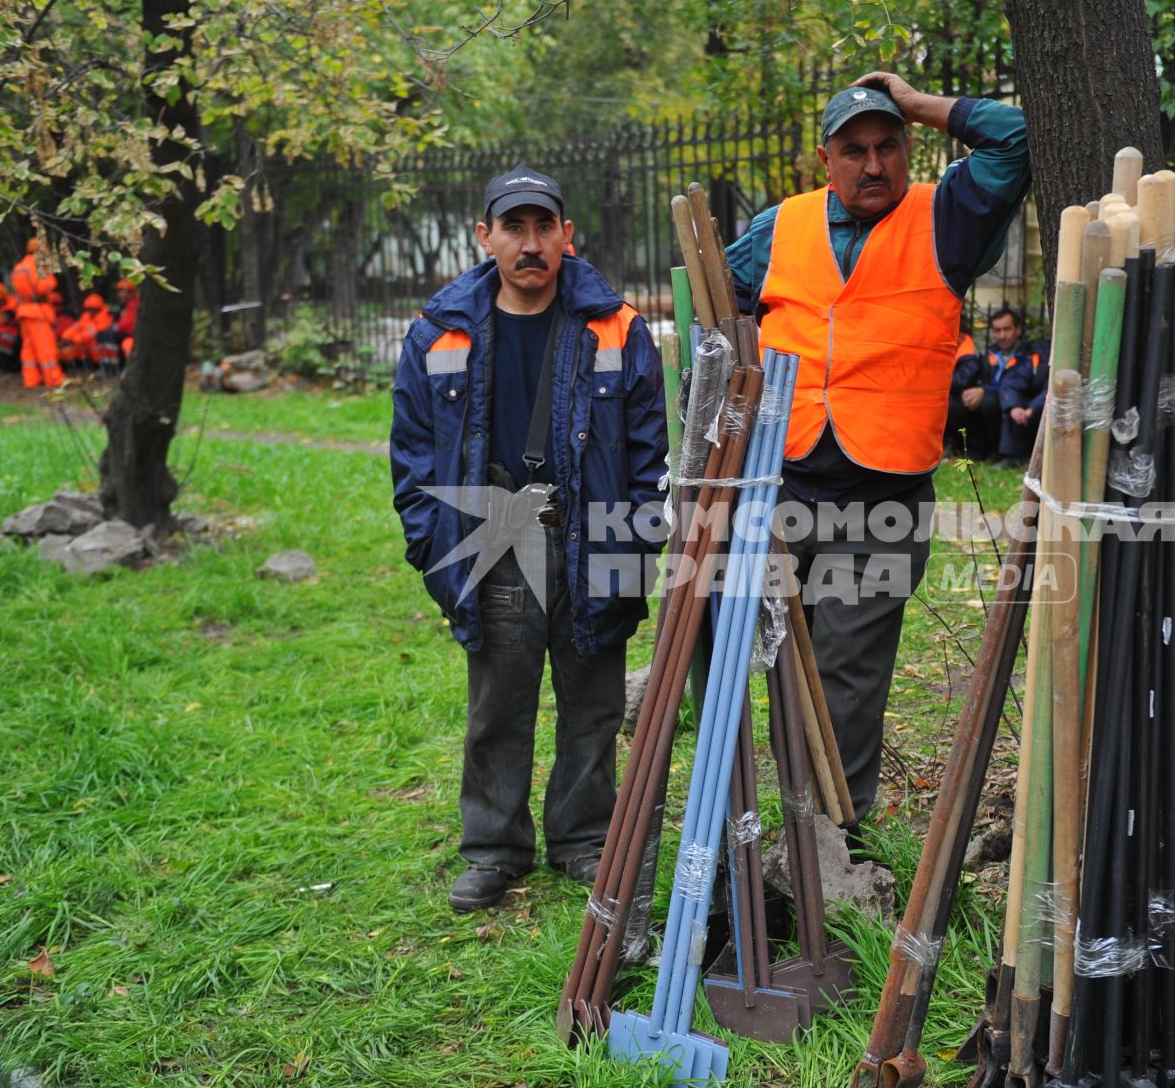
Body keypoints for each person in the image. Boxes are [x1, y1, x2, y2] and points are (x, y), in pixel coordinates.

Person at [724, 71, 1029, 831]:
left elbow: (1015, 141)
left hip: (881, 502)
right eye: (853, 149)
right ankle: (785, 827)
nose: (872, 165)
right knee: (781, 671)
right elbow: (722, 299)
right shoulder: (781, 226)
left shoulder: (945, 218)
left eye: (888, 146)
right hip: (784, 486)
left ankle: (835, 838)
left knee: (847, 678)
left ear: (907, 148)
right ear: (824, 158)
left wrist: (918, 101)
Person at [390, 165, 668, 912]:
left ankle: (581, 838)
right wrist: (431, 549)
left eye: (544, 226)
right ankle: (493, 847)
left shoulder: (618, 326)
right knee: (498, 707)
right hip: (492, 545)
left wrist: (636, 546)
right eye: (514, 227)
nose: (531, 242)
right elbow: (412, 455)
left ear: (566, 236)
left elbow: (650, 455)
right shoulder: (438, 332)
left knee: (594, 705)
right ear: (485, 237)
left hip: (594, 542)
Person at [947, 305, 1045, 461]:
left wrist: (985, 390)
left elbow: (1021, 386)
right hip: (989, 404)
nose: (1002, 335)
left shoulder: (1028, 354)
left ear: (1018, 330)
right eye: (997, 330)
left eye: (1007, 329)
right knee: (957, 402)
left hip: (1017, 405)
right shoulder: (990, 353)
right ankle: (972, 449)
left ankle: (1001, 453)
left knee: (988, 402)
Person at [9, 238, 64, 389]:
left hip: (25, 310)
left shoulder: (19, 267)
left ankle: (31, 379)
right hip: (37, 311)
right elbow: (42, 288)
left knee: (29, 348)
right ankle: (54, 379)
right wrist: (51, 282)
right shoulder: (37, 266)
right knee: (46, 346)